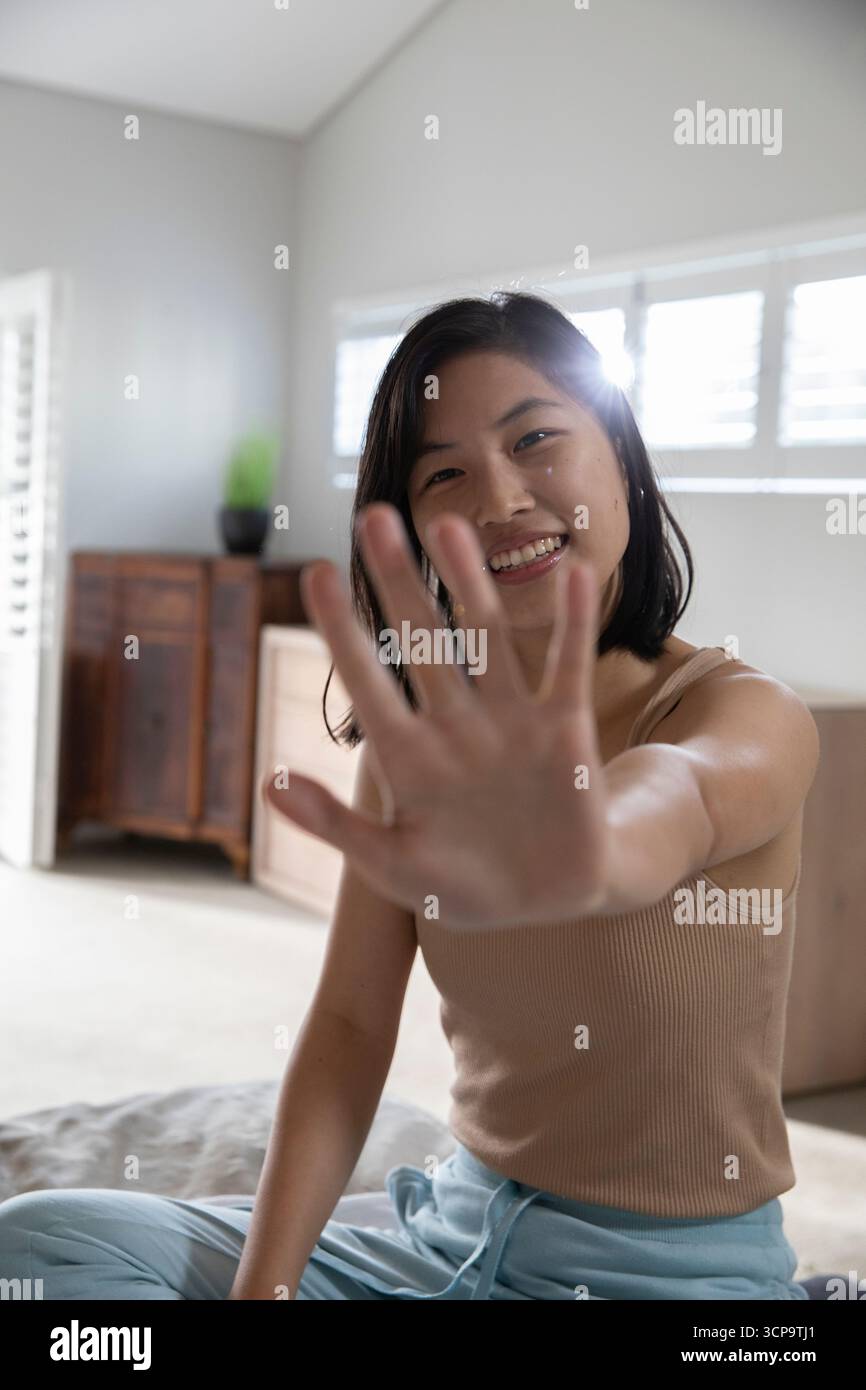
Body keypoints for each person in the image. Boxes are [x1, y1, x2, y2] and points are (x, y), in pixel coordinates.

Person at [0, 292, 818, 1299]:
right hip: (454, 1240)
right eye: (446, 473)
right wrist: (265, 1292)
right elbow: (348, 1026)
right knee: (44, 1245)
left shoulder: (740, 713)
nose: (502, 497)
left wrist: (584, 845)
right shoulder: (416, 746)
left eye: (536, 439)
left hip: (677, 1286)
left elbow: (674, 805)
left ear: (619, 455)